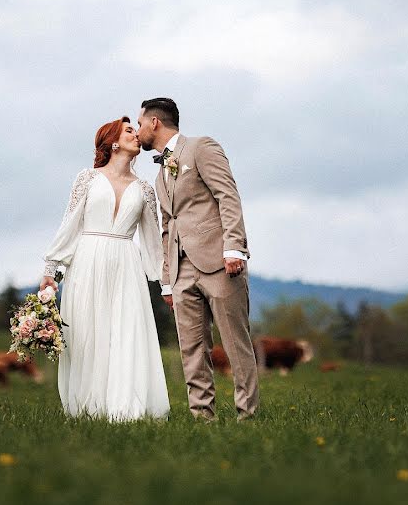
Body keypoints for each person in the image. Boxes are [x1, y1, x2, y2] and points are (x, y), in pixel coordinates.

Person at [137, 98, 259, 422]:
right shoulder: (159, 175)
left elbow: (227, 195)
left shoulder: (201, 147)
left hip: (219, 262)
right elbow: (167, 227)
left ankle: (248, 417)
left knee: (236, 345)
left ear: (154, 123)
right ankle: (203, 420)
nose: (137, 132)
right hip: (181, 272)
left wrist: (234, 247)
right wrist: (166, 279)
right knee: (191, 351)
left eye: (139, 123)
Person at [40, 116, 170, 421]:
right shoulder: (87, 178)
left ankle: (124, 410)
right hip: (87, 261)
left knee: (126, 334)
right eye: (129, 130)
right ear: (112, 141)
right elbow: (69, 225)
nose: (137, 134)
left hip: (126, 264)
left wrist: (166, 282)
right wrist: (52, 269)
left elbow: (153, 242)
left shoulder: (145, 189)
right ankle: (87, 409)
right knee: (87, 335)